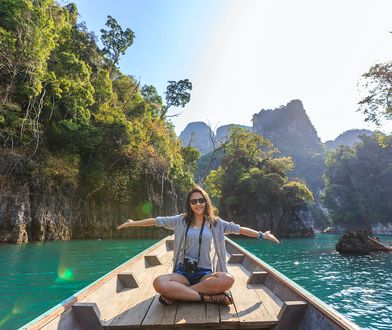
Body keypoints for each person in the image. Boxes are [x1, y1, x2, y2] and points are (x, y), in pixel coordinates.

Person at [117, 185, 279, 306]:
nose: (198, 204)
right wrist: (132, 223)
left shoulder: (216, 223)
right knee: (159, 283)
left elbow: (239, 229)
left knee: (227, 279)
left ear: (206, 202)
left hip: (204, 274)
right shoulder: (180, 220)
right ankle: (207, 297)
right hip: (183, 272)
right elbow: (156, 221)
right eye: (194, 201)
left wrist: (261, 235)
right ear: (190, 204)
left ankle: (180, 294)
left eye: (201, 200)